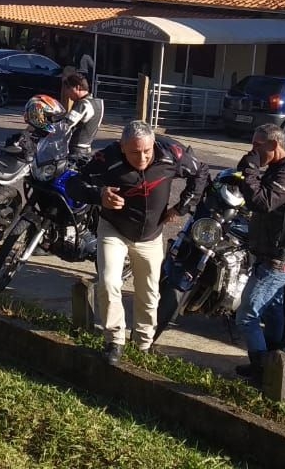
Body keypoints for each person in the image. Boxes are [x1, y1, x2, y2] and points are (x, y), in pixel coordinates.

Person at [66, 120, 210, 366]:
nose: (142, 158)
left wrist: (182, 206)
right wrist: (99, 195)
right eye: (134, 152)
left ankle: (143, 344)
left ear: (154, 144)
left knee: (149, 292)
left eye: (147, 151)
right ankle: (114, 341)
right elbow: (74, 183)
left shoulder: (171, 154)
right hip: (114, 229)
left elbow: (201, 172)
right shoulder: (108, 158)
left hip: (151, 235)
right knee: (109, 282)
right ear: (122, 147)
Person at [232, 123, 285, 382]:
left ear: (274, 145)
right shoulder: (279, 169)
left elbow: (263, 202)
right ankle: (274, 359)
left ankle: (261, 368)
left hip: (278, 259)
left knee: (246, 315)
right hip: (269, 253)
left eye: (258, 146)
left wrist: (249, 171)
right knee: (272, 310)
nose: (253, 151)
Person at [58, 73, 103, 158]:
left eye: (68, 89)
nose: (67, 93)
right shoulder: (98, 103)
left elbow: (64, 125)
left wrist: (44, 126)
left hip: (76, 152)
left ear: (77, 87)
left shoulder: (83, 104)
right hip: (86, 150)